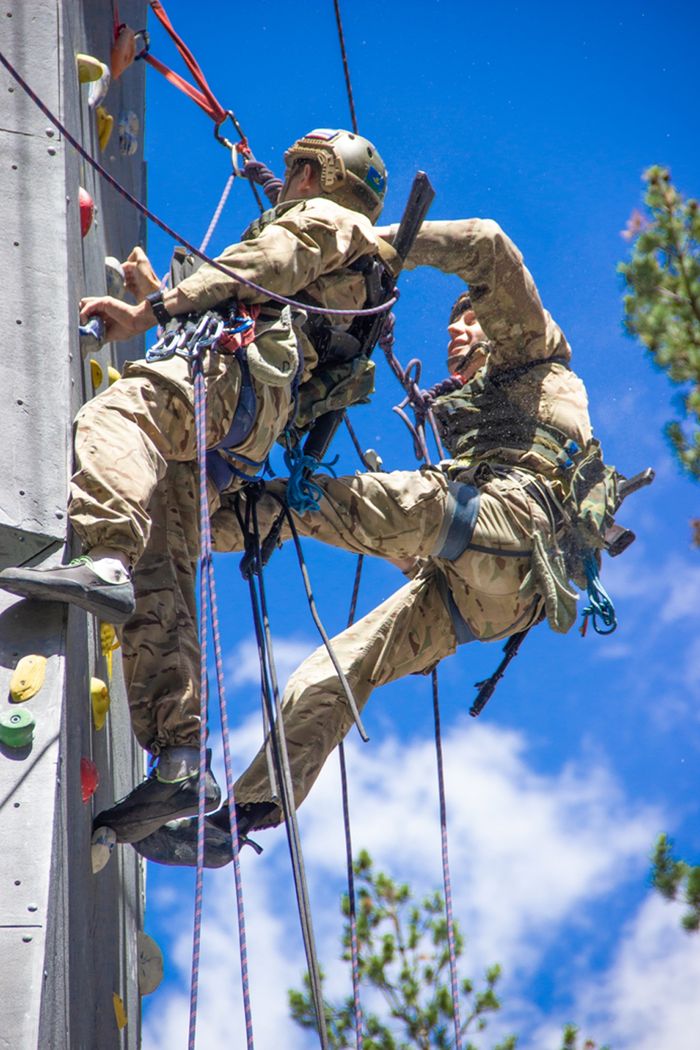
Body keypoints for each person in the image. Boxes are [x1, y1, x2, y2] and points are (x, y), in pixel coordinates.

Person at [135, 216, 600, 868]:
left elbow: (488, 245)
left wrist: (364, 245)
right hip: (489, 590)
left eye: (468, 324)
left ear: (499, 330)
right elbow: (412, 534)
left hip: (521, 531)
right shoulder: (484, 428)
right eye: (449, 329)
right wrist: (387, 536)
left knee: (351, 503)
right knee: (331, 672)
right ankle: (242, 815)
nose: (454, 336)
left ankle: (182, 519)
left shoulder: (534, 351)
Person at [0, 128, 389, 869]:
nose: (292, 179)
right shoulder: (357, 266)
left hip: (228, 379)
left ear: (322, 174)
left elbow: (266, 262)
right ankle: (180, 761)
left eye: (302, 167)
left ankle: (102, 559)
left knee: (119, 417)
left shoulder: (329, 222)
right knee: (164, 564)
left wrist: (149, 315)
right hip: (240, 429)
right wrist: (162, 299)